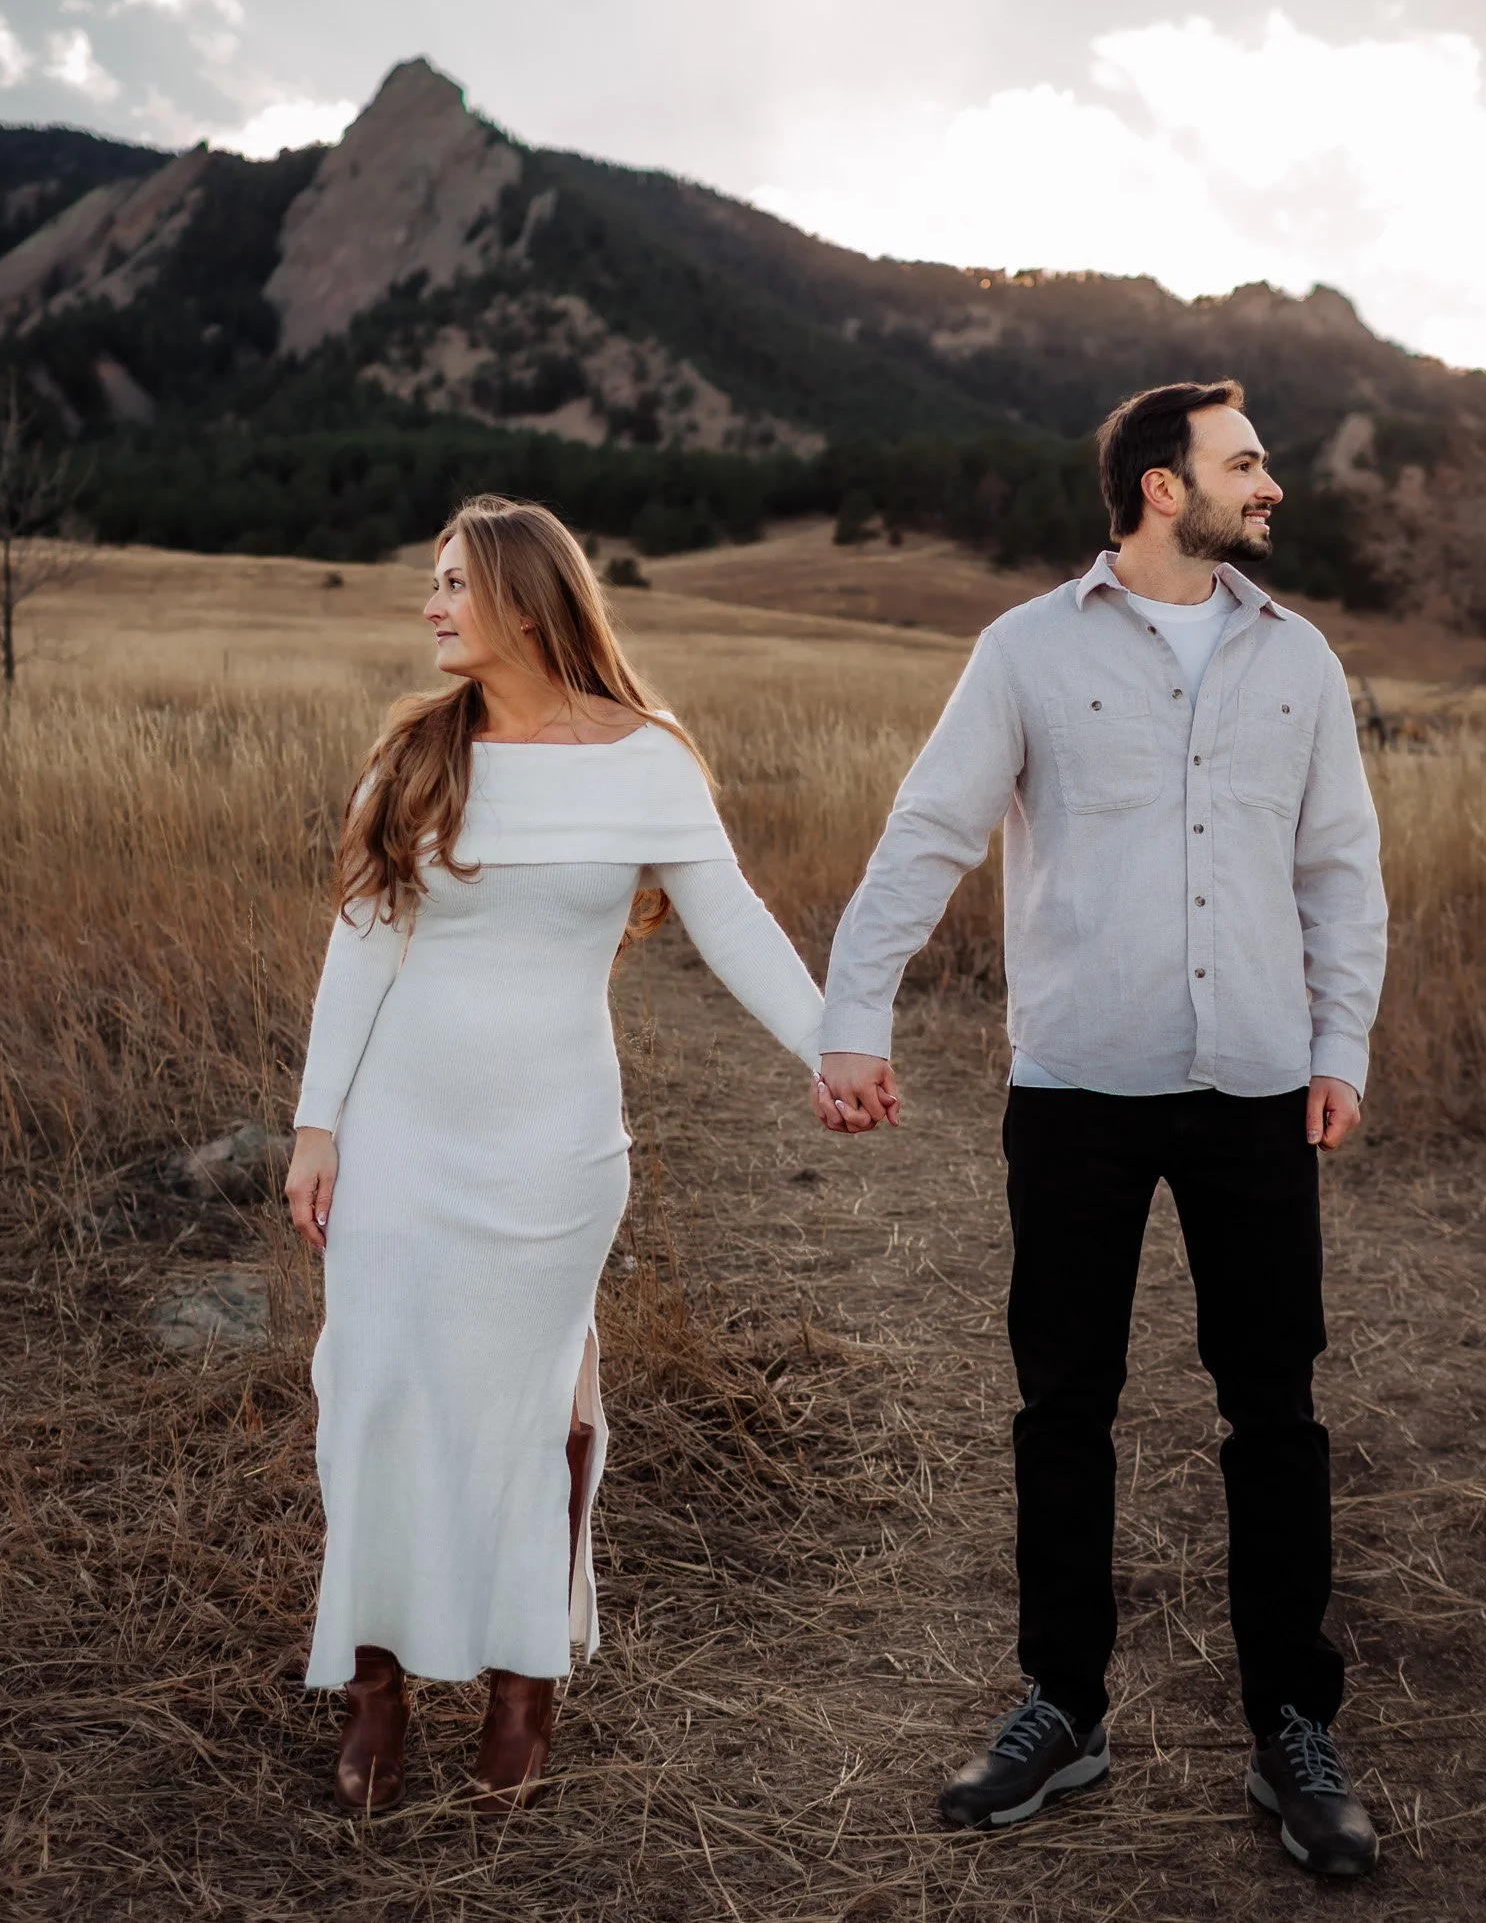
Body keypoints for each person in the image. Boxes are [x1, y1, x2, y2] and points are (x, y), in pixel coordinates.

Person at [815, 381, 1387, 1880]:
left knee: (1275, 1410)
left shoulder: (1299, 659)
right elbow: (926, 829)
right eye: (1241, 463)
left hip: (1259, 1088)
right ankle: (1063, 1707)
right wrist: (851, 1018)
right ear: (1156, 488)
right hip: (1075, 1090)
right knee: (1060, 1404)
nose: (1267, 486)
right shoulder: (1025, 651)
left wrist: (1339, 1044)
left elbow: (1339, 871)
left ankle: (1290, 1727)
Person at [284, 494, 825, 1814]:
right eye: (429, 582)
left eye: (450, 584)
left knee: (534, 1412)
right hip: (404, 1139)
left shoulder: (646, 759)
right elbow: (361, 945)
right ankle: (374, 1689)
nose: (430, 605)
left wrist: (831, 1046)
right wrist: (318, 1121)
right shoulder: (417, 755)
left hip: (553, 1150)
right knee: (375, 1395)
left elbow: (734, 925)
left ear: (527, 601)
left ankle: (524, 1687)